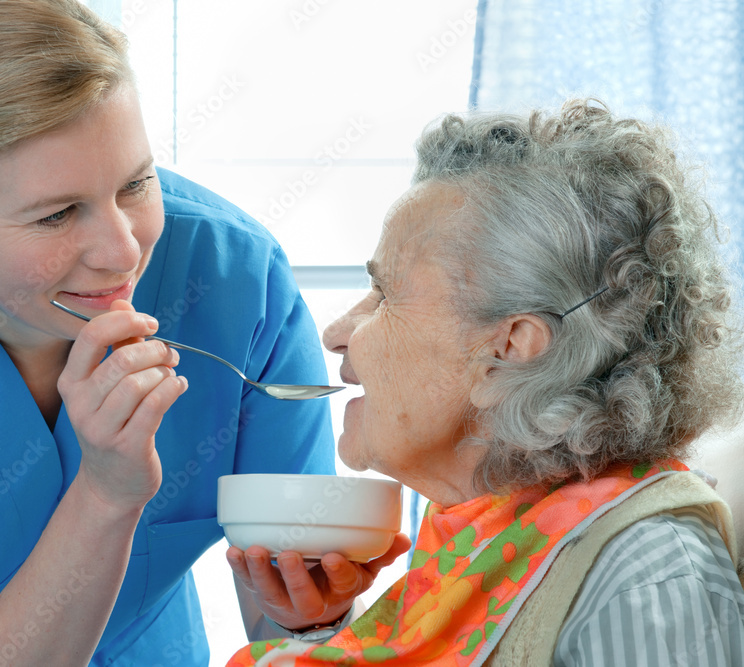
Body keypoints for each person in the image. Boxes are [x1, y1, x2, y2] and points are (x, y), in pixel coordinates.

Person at [0, 1, 406, 664]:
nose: (123, 253)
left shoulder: (239, 284)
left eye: (136, 183)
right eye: (57, 215)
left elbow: (284, 605)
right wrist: (107, 492)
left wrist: (308, 613)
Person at [227, 100, 744, 666]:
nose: (337, 333)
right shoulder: (482, 534)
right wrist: (318, 627)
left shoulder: (648, 575)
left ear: (509, 349)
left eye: (385, 294)